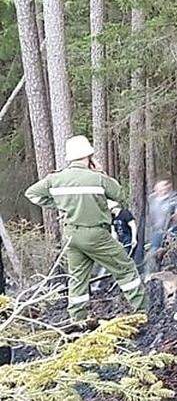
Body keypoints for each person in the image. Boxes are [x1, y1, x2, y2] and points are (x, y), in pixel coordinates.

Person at [24, 135, 146, 322]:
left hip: (71, 235)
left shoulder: (55, 179)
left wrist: (58, 204)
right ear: (89, 156)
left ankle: (77, 320)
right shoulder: (96, 178)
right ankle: (143, 310)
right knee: (126, 268)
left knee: (78, 279)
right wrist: (102, 172)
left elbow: (31, 194)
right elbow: (119, 194)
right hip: (95, 234)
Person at [147, 180, 177, 260]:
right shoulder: (151, 200)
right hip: (157, 232)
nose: (163, 188)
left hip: (173, 230)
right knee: (154, 252)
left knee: (176, 251)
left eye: (165, 185)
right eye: (161, 186)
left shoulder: (175, 198)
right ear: (156, 188)